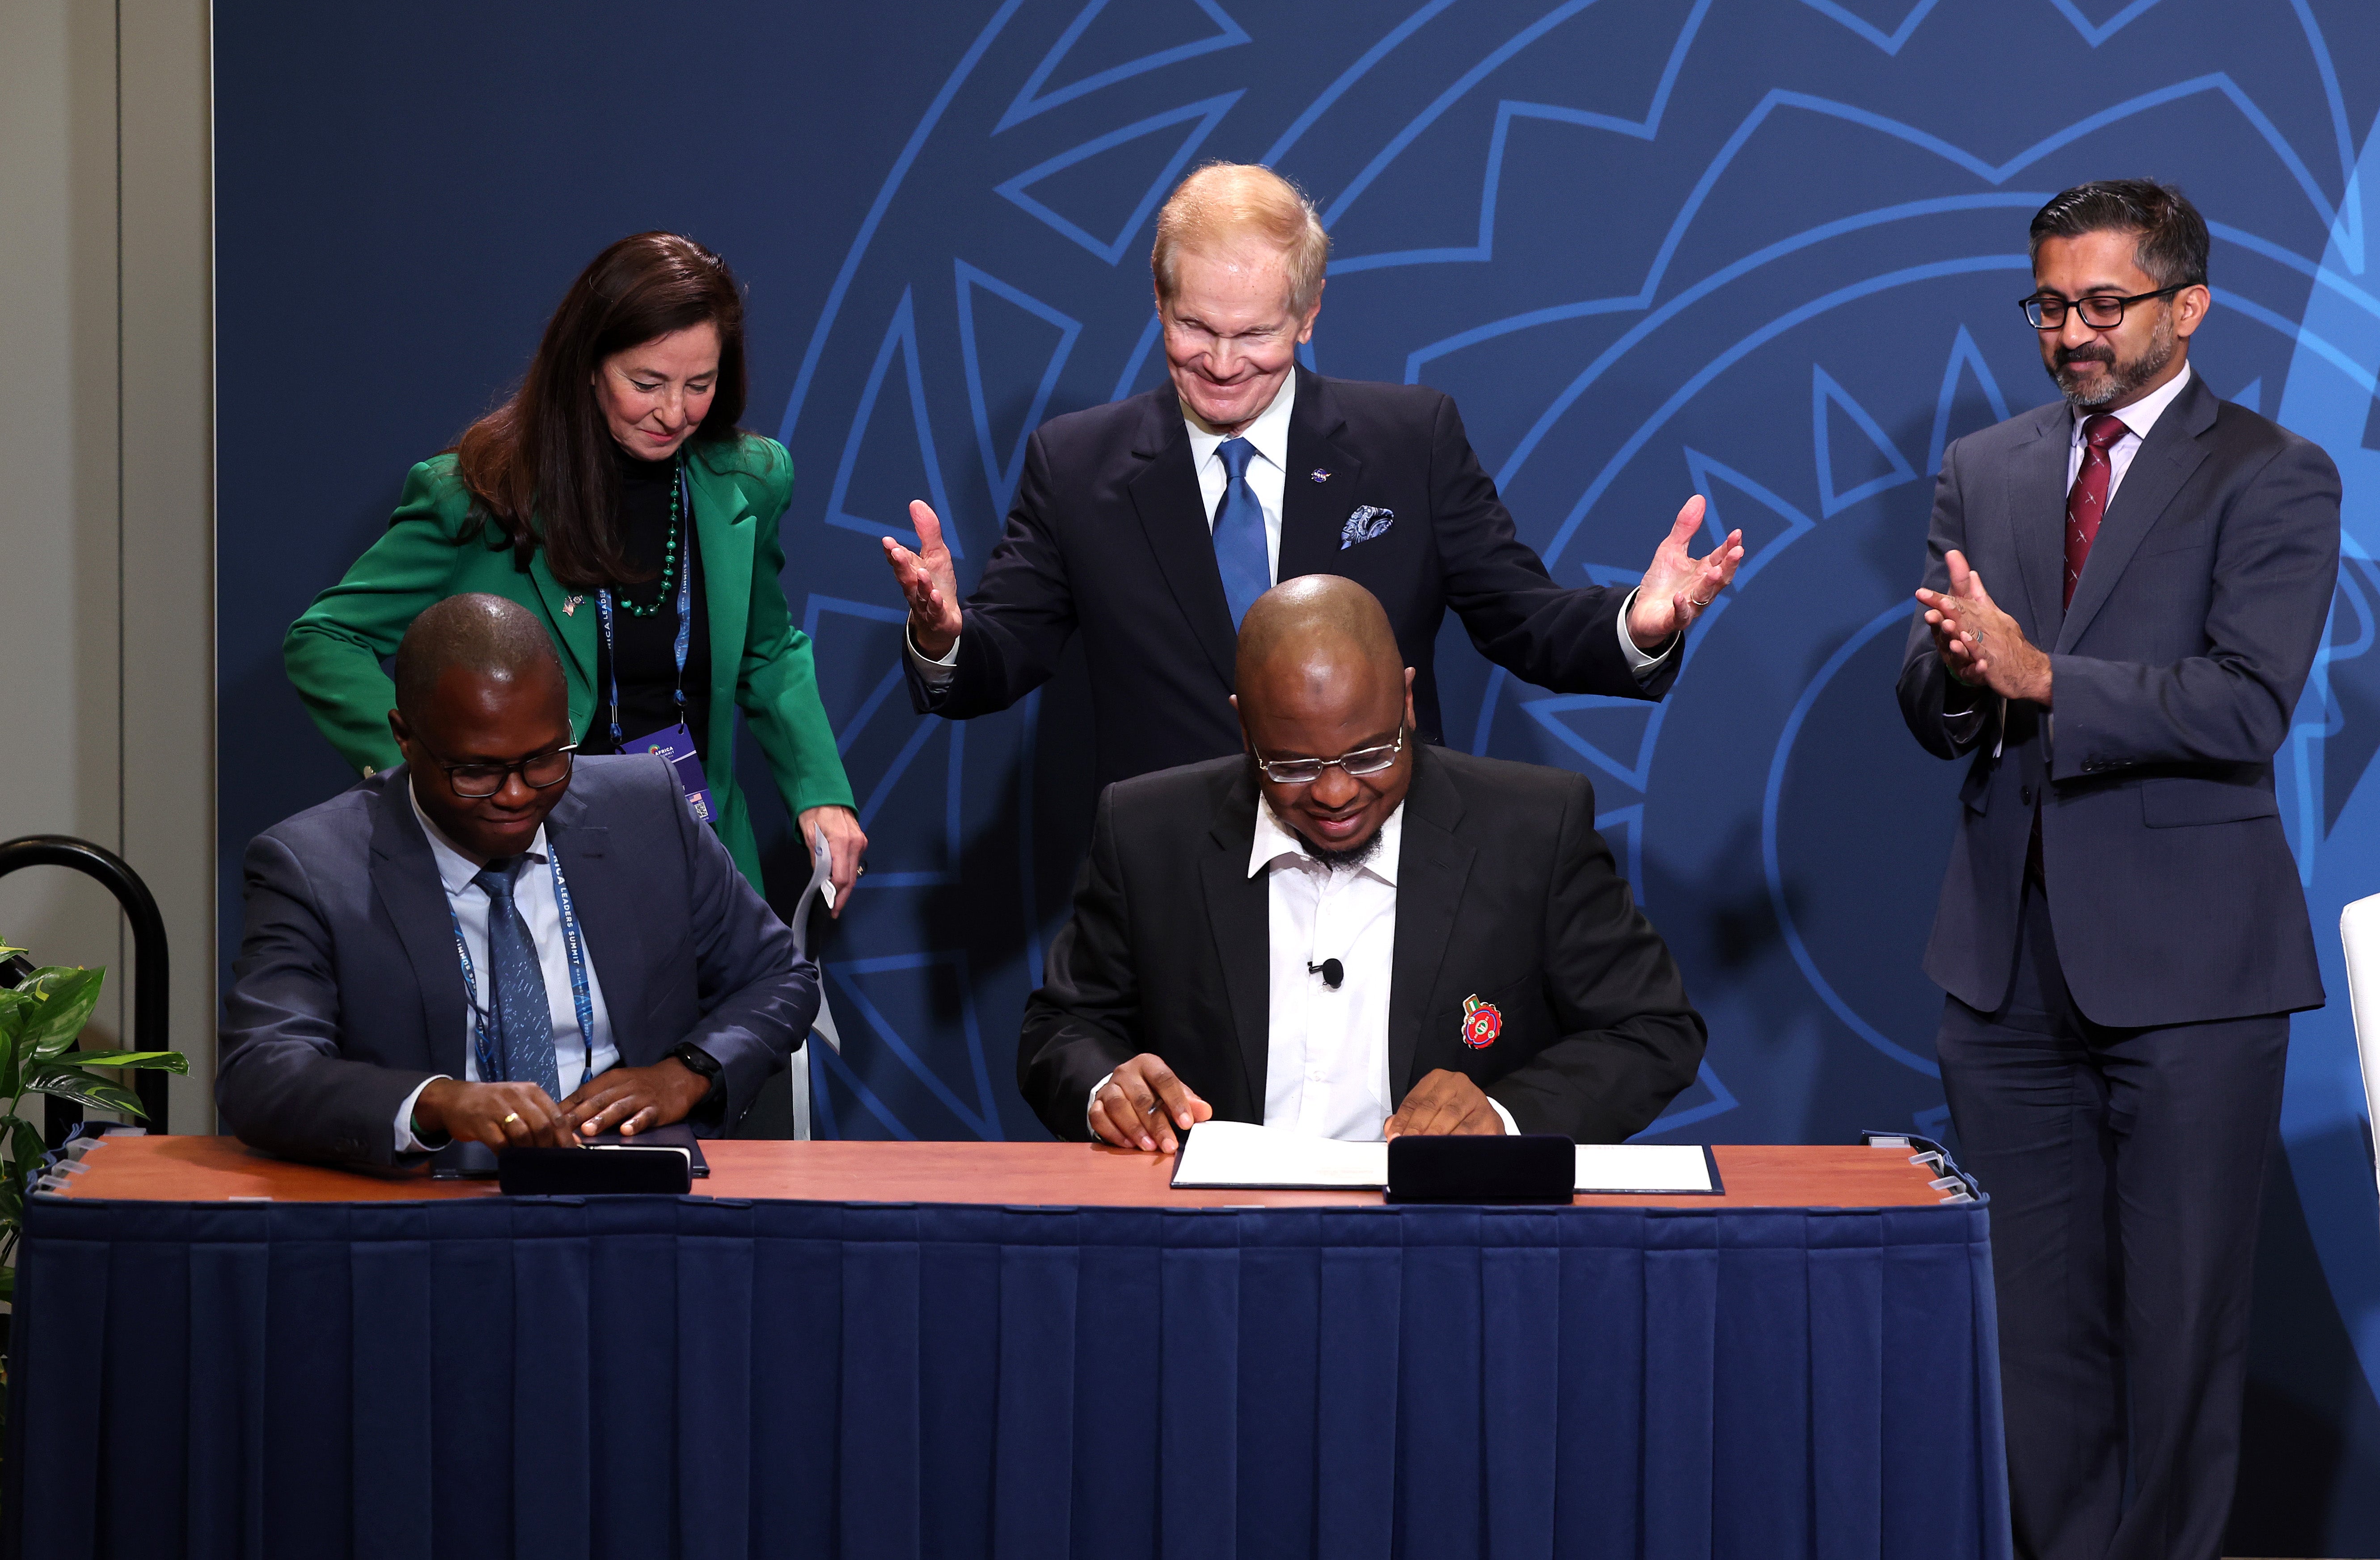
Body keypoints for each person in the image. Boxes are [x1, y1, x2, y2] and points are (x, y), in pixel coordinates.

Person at [1899, 179, 2340, 1560]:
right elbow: (1929, 699)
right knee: (2033, 1334)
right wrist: (1967, 682)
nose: (2071, 332)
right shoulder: (1986, 464)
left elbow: (2245, 704)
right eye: (2048, 304)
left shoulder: (2273, 472)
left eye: (2103, 304)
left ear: (2185, 305)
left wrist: (2045, 677)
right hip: (2005, 971)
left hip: (2191, 975)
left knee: (2181, 1330)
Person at [884, 162, 1745, 793]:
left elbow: (1525, 621)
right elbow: (996, 660)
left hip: (1384, 874)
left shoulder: (1412, 441)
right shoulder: (1076, 465)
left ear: (1310, 312)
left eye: (1256, 334)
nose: (1222, 363)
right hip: (1178, 894)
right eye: (1194, 327)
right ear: (1157, 300)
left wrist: (1641, 620)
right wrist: (943, 635)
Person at [1017, 575, 1705, 1148]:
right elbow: (1061, 1030)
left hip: (1444, 1243)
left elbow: (1653, 1029)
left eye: (1372, 754)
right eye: (1292, 764)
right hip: (1215, 1243)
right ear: (1243, 726)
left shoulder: (1531, 828)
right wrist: (1105, 1087)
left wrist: (1504, 1117)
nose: (1337, 792)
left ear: (1407, 702)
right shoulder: (1147, 831)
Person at [284, 231, 866, 907]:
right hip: (529, 871)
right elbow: (324, 640)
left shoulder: (750, 480)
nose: (674, 412)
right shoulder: (475, 495)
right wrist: (431, 772)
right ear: (588, 365)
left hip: (700, 855)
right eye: (646, 383)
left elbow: (767, 651)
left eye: (699, 385)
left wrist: (820, 791)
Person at [223, 593, 817, 1168]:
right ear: (404, 737)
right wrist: (433, 1103)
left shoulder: (645, 808)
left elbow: (779, 978)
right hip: (431, 1202)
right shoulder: (313, 864)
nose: (515, 795)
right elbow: (263, 1069)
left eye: (543, 759)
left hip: (632, 1189)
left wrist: (685, 1073)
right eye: (476, 771)